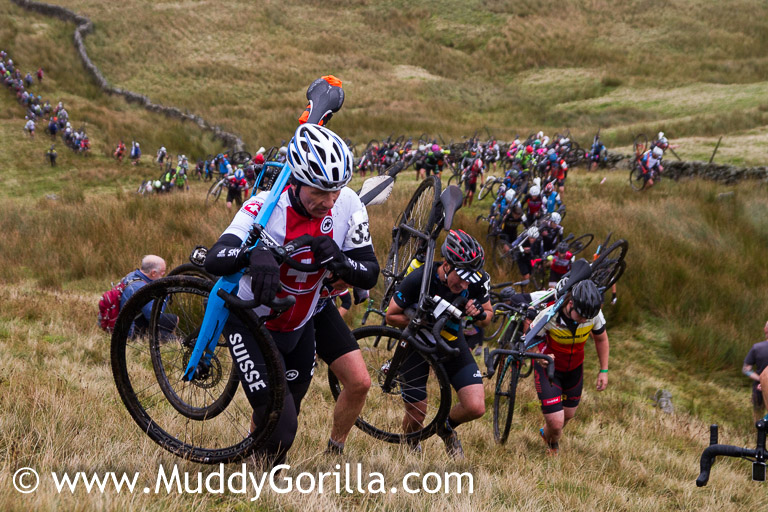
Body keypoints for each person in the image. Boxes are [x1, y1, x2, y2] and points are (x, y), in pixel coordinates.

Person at [204, 123, 379, 465]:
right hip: (252, 323)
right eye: (320, 192)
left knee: (286, 418)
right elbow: (215, 258)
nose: (329, 201)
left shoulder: (348, 203)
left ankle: (258, 468)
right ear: (296, 181)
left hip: (301, 322)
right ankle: (258, 469)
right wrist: (252, 254)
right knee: (281, 430)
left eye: (335, 190)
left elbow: (369, 272)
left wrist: (341, 262)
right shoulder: (265, 207)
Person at [386, 229, 493, 459]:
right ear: (446, 265)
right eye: (461, 277)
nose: (464, 285)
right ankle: (410, 445)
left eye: (469, 279)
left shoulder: (476, 281)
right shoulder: (420, 278)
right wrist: (421, 321)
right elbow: (391, 316)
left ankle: (445, 427)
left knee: (475, 406)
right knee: (417, 413)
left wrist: (479, 314)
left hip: (451, 341)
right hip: (416, 344)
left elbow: (488, 315)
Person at [528, 279, 609, 455]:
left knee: (568, 416)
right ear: (570, 303)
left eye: (587, 318)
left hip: (574, 369)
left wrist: (603, 370)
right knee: (557, 423)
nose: (584, 320)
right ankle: (553, 445)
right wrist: (539, 356)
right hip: (549, 369)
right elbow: (529, 341)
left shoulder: (593, 314)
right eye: (581, 316)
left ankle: (547, 434)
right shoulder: (549, 315)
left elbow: (601, 339)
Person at [119, 255, 177, 338]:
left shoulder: (132, 275)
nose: (164, 274)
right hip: (132, 330)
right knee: (177, 340)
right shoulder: (141, 289)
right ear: (153, 273)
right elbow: (154, 317)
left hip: (134, 318)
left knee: (175, 319)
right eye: (162, 272)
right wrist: (165, 295)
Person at [743, 321, 768, 422]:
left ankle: (757, 431)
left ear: (765, 330)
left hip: (759, 387)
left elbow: (746, 369)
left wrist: (761, 380)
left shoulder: (757, 348)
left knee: (758, 416)